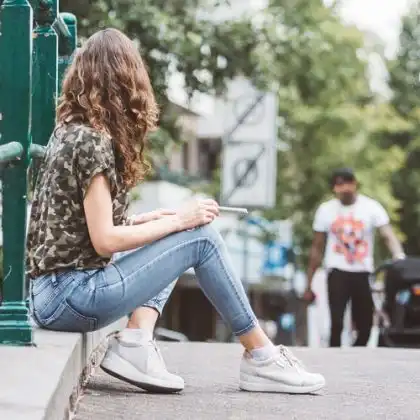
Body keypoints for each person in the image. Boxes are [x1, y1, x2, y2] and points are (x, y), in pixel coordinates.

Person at [26, 28, 325, 395]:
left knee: (175, 229)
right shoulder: (92, 141)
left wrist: (155, 220)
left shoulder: (69, 131)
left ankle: (136, 340)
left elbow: (78, 228)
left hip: (49, 295)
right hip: (72, 297)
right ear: (125, 79)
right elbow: (104, 241)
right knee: (202, 238)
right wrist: (182, 221)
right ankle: (261, 356)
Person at [305, 168, 405, 347]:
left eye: (347, 184)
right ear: (334, 188)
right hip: (337, 271)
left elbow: (387, 235)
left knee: (365, 324)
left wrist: (399, 256)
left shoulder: (371, 207)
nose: (343, 189)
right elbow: (317, 247)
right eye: (338, 185)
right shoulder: (326, 210)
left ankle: (356, 355)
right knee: (336, 322)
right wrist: (309, 282)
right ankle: (334, 356)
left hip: (362, 271)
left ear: (354, 184)